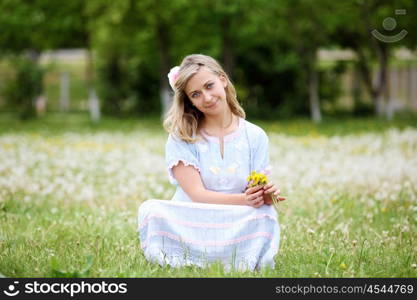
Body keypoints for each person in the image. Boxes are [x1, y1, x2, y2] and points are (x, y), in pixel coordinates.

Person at [138, 54, 286, 271]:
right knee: (151, 210)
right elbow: (197, 195)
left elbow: (252, 189)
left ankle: (240, 258)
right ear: (189, 100)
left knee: (265, 213)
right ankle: (196, 255)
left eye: (209, 86)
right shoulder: (182, 136)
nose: (206, 98)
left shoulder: (255, 136)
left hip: (235, 219)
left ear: (223, 80)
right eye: (196, 94)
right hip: (192, 219)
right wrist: (246, 199)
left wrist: (262, 195)